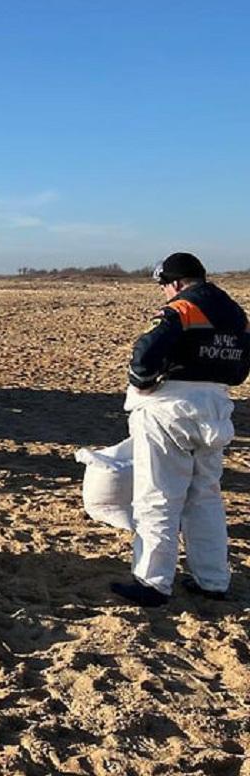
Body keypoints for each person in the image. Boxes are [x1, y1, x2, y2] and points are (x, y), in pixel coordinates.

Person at [110, 253, 249, 607]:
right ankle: (213, 580)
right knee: (206, 496)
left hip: (170, 408)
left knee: (158, 494)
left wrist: (142, 382)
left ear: (174, 282)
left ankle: (153, 583)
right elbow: (238, 372)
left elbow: (144, 355)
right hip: (217, 408)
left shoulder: (182, 308)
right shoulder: (235, 314)